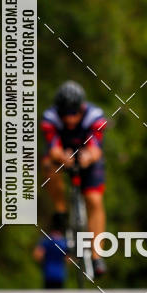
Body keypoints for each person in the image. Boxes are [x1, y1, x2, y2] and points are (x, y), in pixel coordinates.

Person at [40, 81, 107, 277]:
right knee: (47, 165)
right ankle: (60, 210)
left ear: (82, 108)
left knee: (94, 200)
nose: (69, 119)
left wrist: (87, 157)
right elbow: (53, 149)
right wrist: (62, 157)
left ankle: (96, 257)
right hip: (62, 157)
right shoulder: (50, 117)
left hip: (89, 159)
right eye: (65, 114)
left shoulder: (95, 116)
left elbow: (95, 148)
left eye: (74, 113)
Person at [33, 218, 67, 289]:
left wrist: (43, 261)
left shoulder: (46, 241)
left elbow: (37, 255)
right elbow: (68, 260)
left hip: (48, 273)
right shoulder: (64, 242)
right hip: (60, 275)